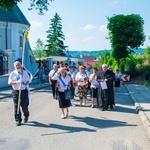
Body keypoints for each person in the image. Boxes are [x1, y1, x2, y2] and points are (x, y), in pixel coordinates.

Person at [8, 61, 30, 126]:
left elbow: (28, 81)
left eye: (18, 65)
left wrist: (24, 85)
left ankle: (26, 115)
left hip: (23, 91)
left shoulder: (24, 72)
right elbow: (10, 82)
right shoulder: (12, 73)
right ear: (14, 66)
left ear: (21, 65)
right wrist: (17, 82)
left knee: (24, 106)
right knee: (16, 106)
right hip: (16, 91)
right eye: (16, 65)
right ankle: (18, 120)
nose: (17, 66)